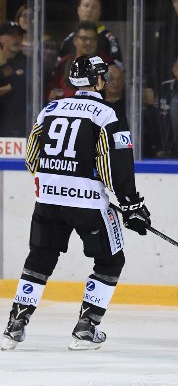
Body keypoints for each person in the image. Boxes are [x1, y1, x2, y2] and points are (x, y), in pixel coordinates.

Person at [1, 55, 151, 351]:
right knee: (111, 260)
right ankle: (86, 327)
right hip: (87, 203)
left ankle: (14, 325)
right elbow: (116, 165)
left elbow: (32, 158)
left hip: (47, 199)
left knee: (40, 258)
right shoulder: (106, 114)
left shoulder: (49, 109)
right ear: (97, 80)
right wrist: (131, 205)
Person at [48, 21, 112, 101]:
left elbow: (110, 89)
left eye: (92, 39)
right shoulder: (64, 63)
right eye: (84, 38)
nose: (88, 43)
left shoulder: (106, 63)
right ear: (75, 40)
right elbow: (53, 89)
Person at [57, 0, 122, 64]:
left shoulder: (109, 39)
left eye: (94, 7)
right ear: (78, 10)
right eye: (86, 6)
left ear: (99, 13)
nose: (89, 10)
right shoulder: (69, 39)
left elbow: (117, 68)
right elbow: (59, 66)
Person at [0, 21, 28, 137]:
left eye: (19, 35)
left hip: (19, 127)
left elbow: (27, 84)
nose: (16, 38)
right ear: (1, 38)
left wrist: (10, 87)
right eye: (11, 34)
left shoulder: (28, 62)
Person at [16, 3, 59, 79]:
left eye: (32, 16)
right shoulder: (12, 41)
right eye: (25, 15)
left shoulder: (47, 43)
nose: (28, 19)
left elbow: (45, 69)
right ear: (19, 19)